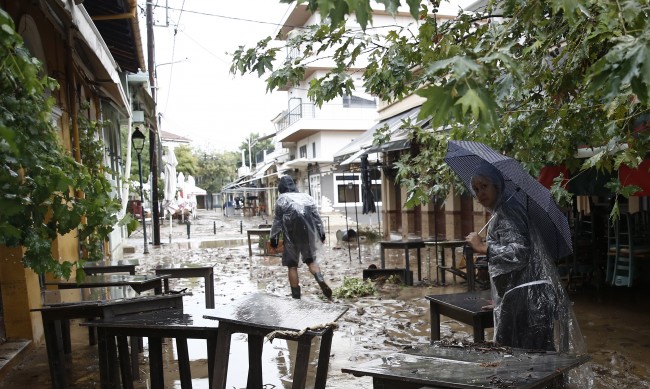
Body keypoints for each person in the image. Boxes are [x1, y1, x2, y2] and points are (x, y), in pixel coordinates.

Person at [465, 161, 588, 356]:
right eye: (476, 189)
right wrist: (502, 299)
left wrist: (483, 247)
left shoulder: (508, 211)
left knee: (524, 359)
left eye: (484, 186)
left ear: (497, 184)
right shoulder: (502, 210)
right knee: (532, 357)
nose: (480, 193)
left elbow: (519, 253)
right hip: (521, 297)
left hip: (527, 301)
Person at [270, 176, 332, 300]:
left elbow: (277, 221)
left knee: (292, 265)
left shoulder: (281, 200)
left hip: (291, 235)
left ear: (280, 188)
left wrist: (274, 238)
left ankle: (296, 297)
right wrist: (321, 234)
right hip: (307, 234)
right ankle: (319, 278)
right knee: (311, 261)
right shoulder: (307, 198)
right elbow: (317, 218)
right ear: (294, 186)